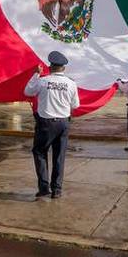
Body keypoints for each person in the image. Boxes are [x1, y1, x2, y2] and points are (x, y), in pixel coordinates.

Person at [24, 51, 79, 199]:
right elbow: (76, 104)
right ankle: (57, 190)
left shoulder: (42, 81)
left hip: (46, 123)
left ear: (49, 67)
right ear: (64, 68)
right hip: (63, 123)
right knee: (59, 156)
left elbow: (28, 91)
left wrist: (36, 74)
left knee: (40, 153)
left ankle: (43, 188)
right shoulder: (71, 84)